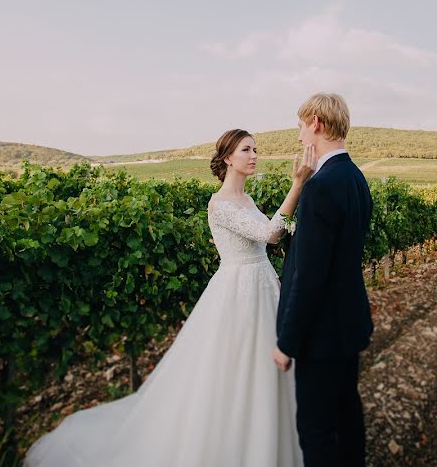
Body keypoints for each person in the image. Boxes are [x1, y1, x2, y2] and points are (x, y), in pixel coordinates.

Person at [24, 129, 316, 467]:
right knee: (234, 372)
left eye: (255, 149)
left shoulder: (247, 201)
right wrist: (297, 185)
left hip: (264, 287)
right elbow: (270, 235)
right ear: (227, 158)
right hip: (238, 293)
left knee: (267, 370)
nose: (253, 155)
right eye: (246, 150)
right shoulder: (220, 204)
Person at [274, 93, 374, 467]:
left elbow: (310, 276)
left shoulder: (320, 186)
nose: (300, 136)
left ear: (315, 123)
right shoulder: (355, 178)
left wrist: (287, 341)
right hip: (348, 325)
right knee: (348, 416)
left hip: (321, 335)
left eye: (301, 126)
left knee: (315, 431)